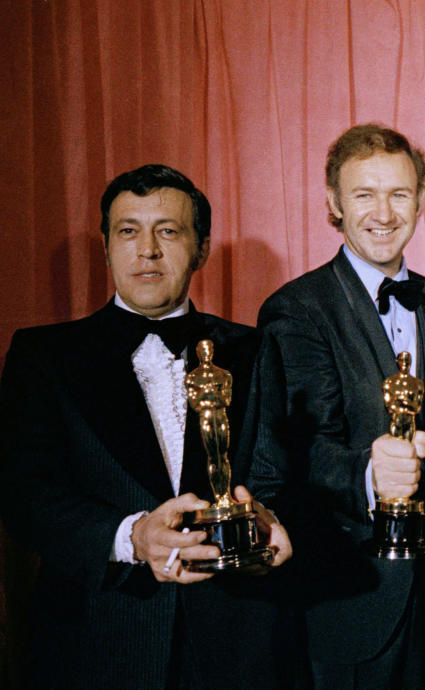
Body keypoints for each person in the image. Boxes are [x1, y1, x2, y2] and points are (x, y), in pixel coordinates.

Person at [0, 164, 292, 688]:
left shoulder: (254, 349)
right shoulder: (44, 355)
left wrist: (270, 523)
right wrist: (130, 537)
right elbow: (22, 497)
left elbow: (277, 477)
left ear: (201, 248)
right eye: (128, 230)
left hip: (234, 646)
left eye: (168, 230)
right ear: (107, 245)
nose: (147, 250)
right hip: (97, 641)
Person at [246, 124, 425, 689]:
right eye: (365, 195)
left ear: (420, 199)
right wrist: (372, 477)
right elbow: (296, 448)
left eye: (400, 193)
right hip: (352, 597)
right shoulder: (297, 309)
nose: (384, 213)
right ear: (334, 205)